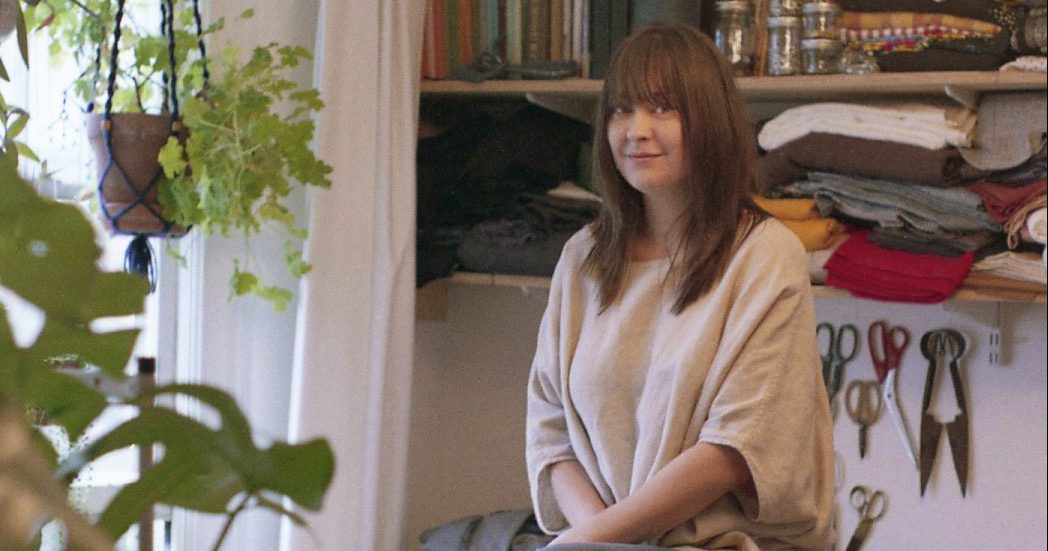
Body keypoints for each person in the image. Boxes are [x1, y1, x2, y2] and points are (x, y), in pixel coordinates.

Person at [525, 22, 835, 550]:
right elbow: (550, 433)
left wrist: (589, 544)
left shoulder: (764, 255)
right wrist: (595, 540)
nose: (636, 129)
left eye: (662, 108)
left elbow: (736, 449)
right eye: (622, 109)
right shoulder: (583, 258)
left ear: (709, 121)